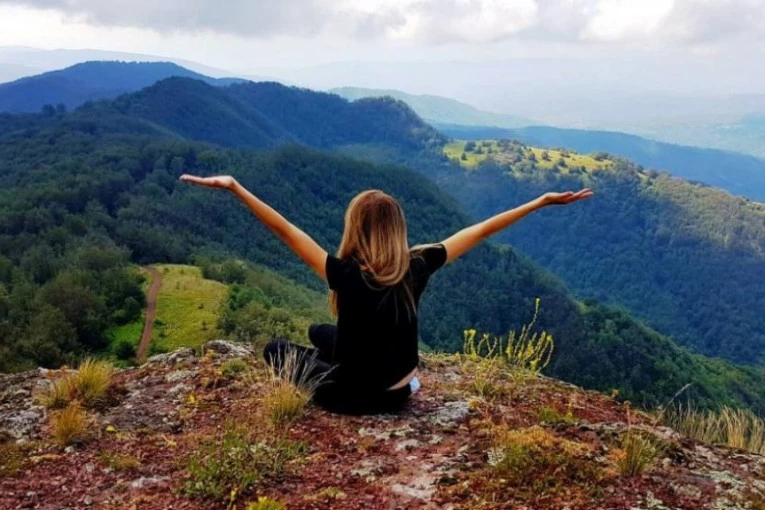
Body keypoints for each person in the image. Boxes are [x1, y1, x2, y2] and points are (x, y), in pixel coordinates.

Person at [180, 174, 592, 414]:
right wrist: (539, 202)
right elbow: (480, 230)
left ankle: (342, 373)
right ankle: (360, 368)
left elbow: (285, 230)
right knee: (318, 331)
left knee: (275, 349)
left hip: (359, 398)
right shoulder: (416, 265)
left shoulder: (344, 274)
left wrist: (235, 187)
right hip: (401, 390)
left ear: (355, 228)